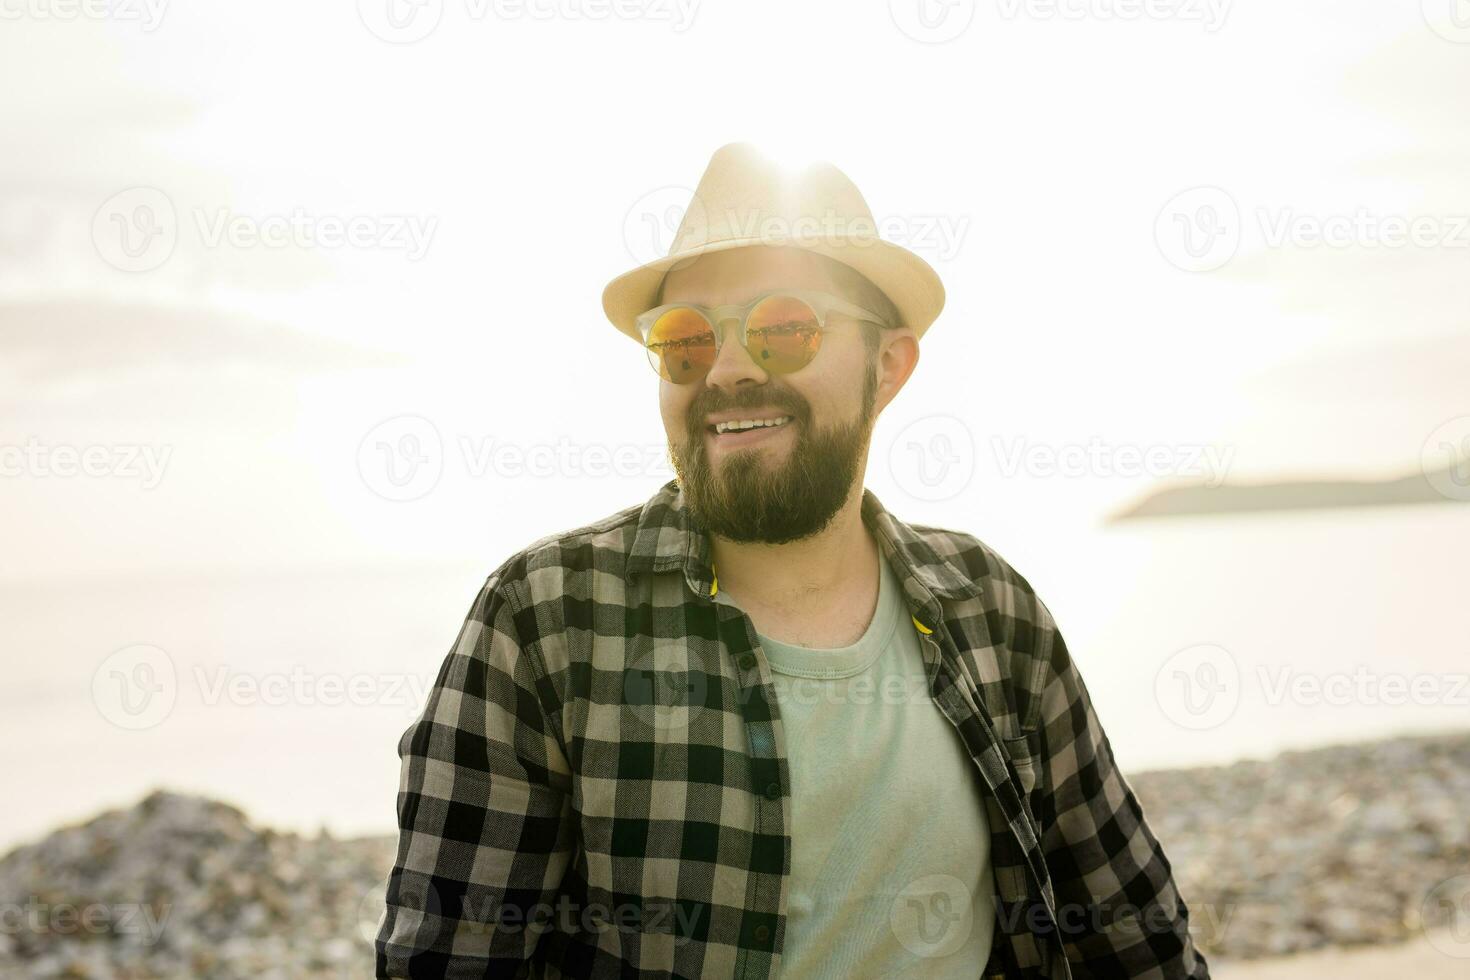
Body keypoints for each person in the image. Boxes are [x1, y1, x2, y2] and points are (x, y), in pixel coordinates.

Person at [376, 142, 1211, 979]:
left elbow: (1134, 942)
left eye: (782, 328)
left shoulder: (995, 614)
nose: (728, 370)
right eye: (684, 341)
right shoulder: (547, 620)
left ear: (888, 366)